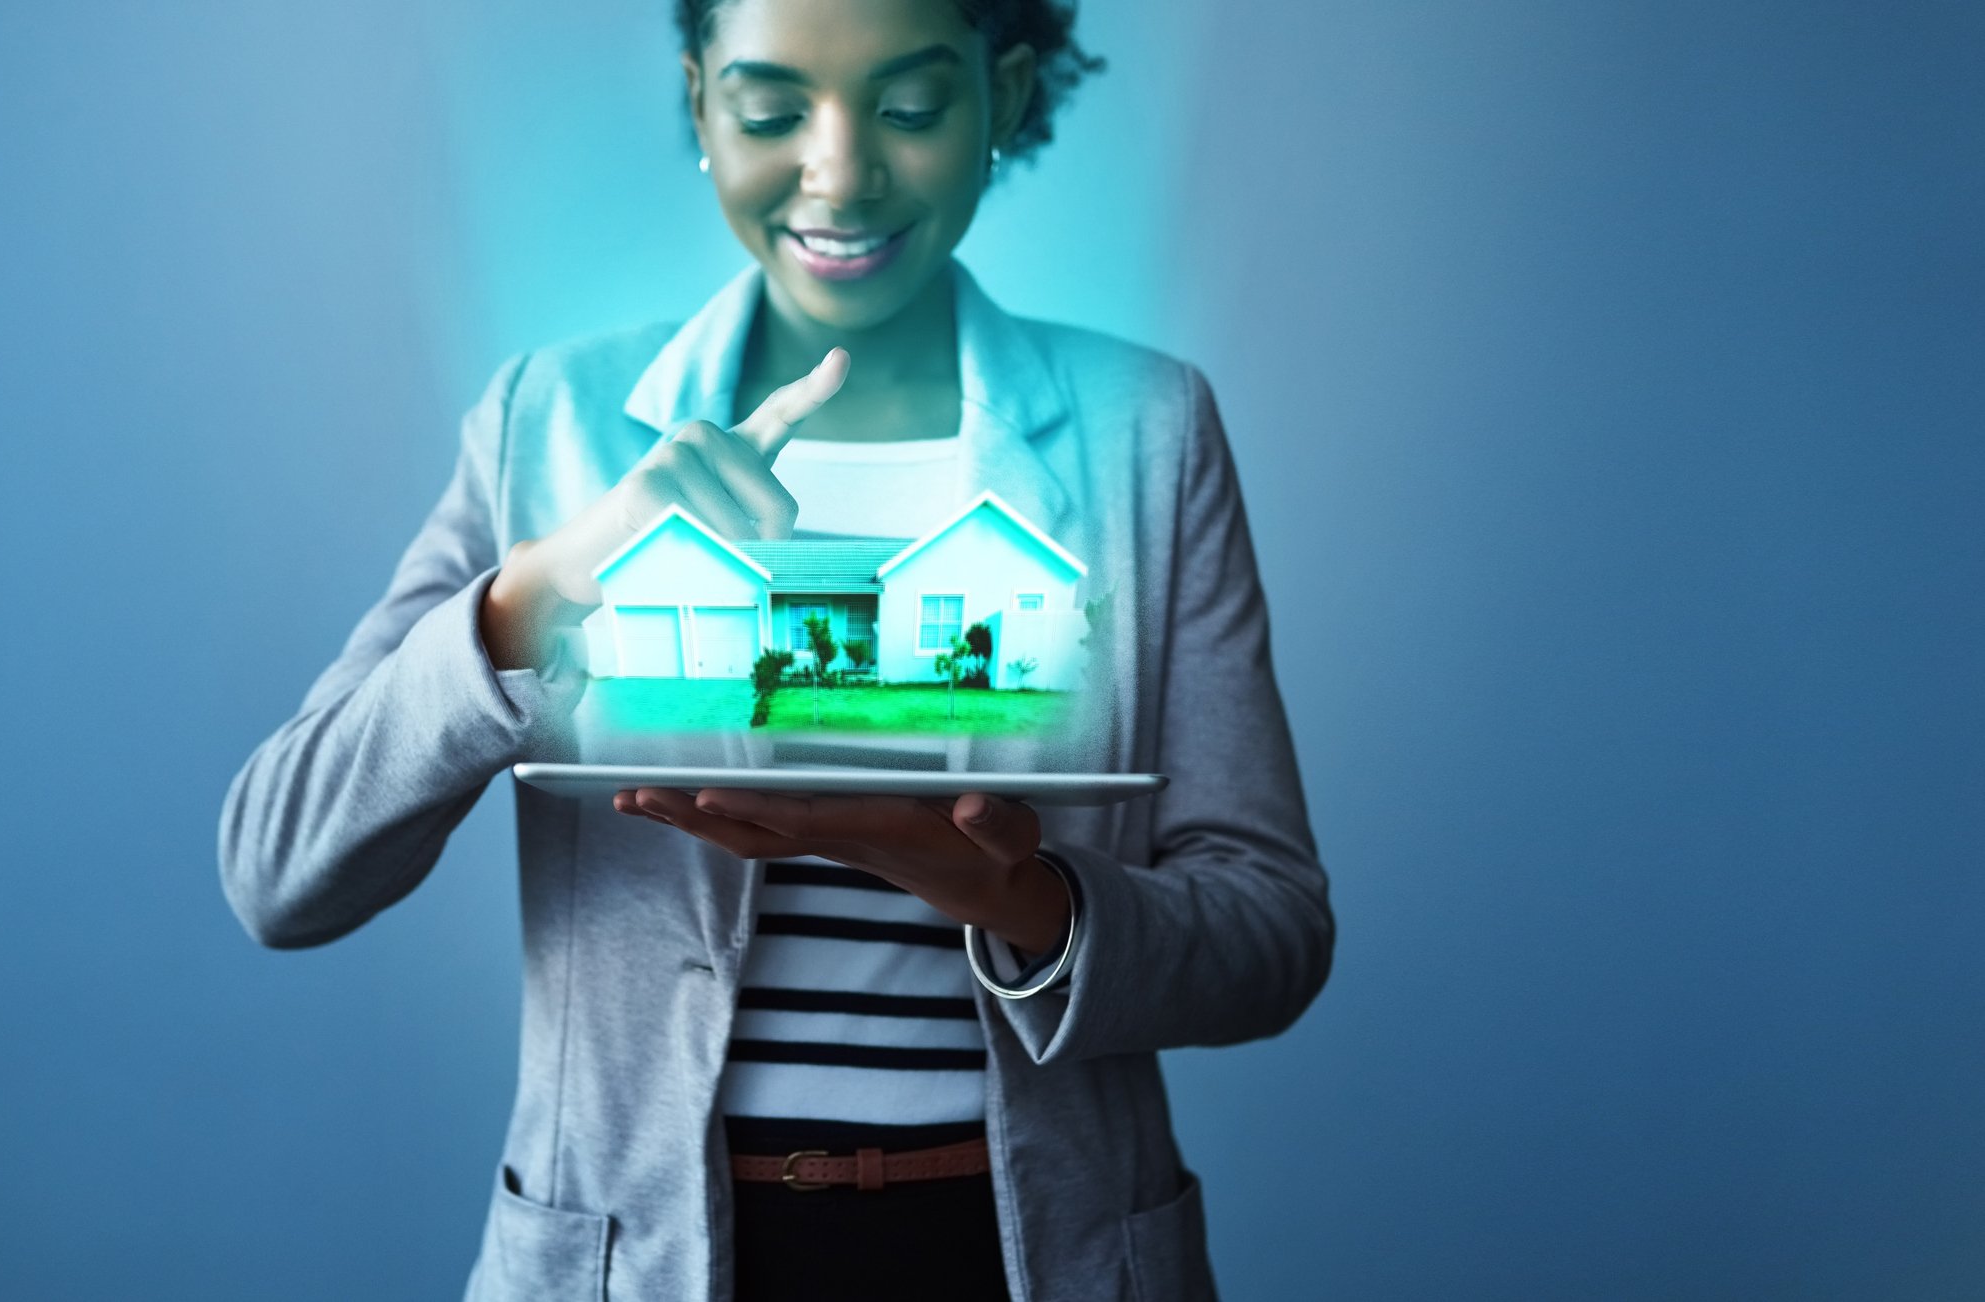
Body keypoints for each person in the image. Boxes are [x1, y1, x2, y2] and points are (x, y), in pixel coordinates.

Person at [217, 0, 1333, 1297]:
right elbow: (279, 869)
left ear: (1006, 96)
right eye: (769, 111)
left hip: (1028, 1248)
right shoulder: (553, 422)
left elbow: (1270, 928)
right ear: (699, 104)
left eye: (910, 108)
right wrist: (547, 583)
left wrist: (1019, 902)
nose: (840, 172)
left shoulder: (1147, 430)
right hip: (641, 1258)